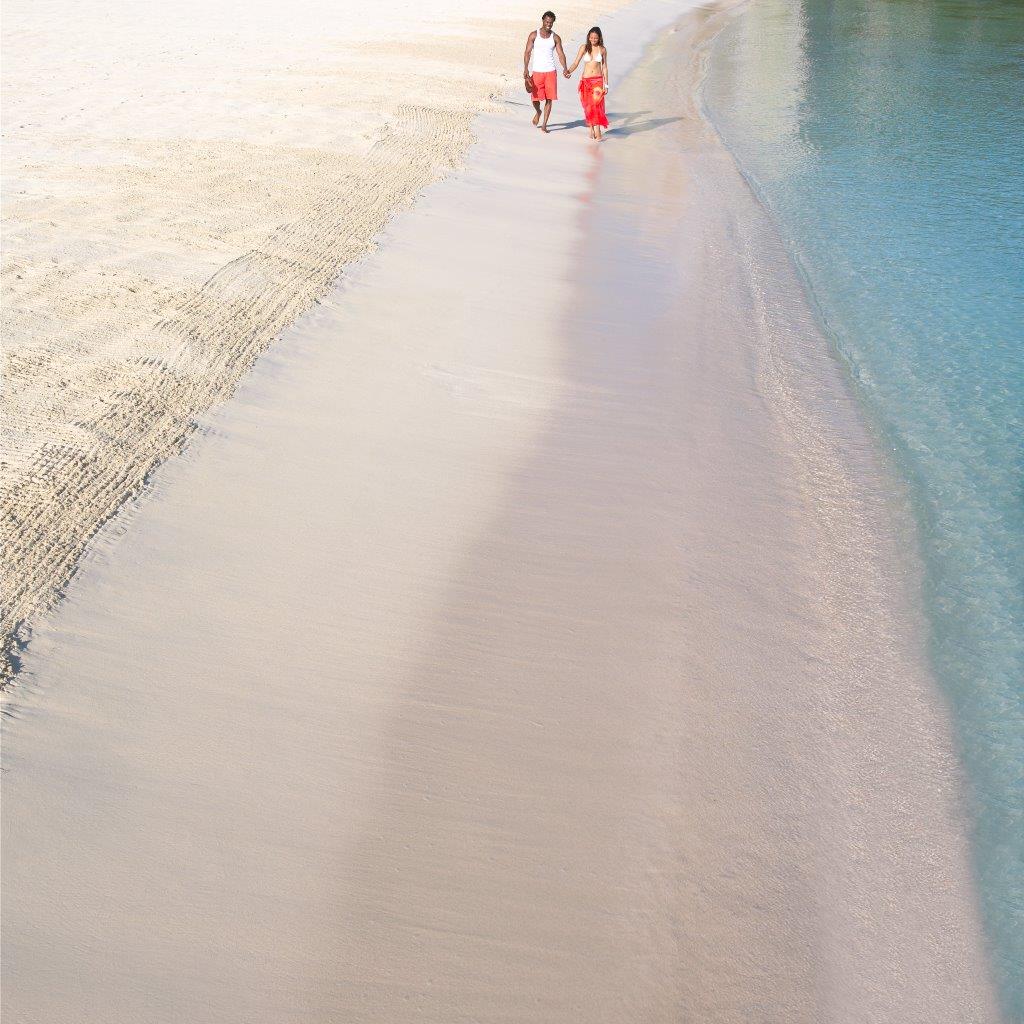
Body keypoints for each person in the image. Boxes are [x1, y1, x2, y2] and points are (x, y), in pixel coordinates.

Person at [523, 11, 568, 133]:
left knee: (549, 98)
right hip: (537, 71)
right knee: (535, 98)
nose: (549, 24)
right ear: (543, 20)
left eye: (551, 22)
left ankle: (544, 125)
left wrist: (565, 68)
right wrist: (526, 68)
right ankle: (538, 111)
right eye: (547, 22)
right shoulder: (533, 35)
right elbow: (527, 52)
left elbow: (560, 54)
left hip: (550, 71)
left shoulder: (555, 38)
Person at [566, 27, 609, 140]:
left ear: (599, 38)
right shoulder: (584, 48)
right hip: (586, 81)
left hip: (598, 81)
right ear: (588, 37)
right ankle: (591, 127)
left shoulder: (602, 50)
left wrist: (606, 84)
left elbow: (604, 67)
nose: (593, 39)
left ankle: (597, 132)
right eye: (591, 37)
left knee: (596, 106)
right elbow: (576, 62)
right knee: (588, 106)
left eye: (595, 37)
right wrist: (569, 71)